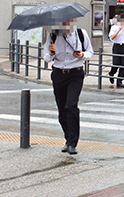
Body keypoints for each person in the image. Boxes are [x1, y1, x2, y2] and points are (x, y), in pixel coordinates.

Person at [44, 19, 93, 155]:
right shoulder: (53, 36)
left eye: (69, 21)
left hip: (75, 74)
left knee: (71, 105)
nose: (66, 24)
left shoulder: (80, 33)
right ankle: (68, 138)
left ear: (73, 21)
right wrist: (51, 52)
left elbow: (90, 52)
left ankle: (72, 143)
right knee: (62, 109)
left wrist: (82, 55)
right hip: (59, 74)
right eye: (63, 21)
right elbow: (46, 58)